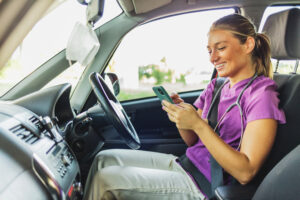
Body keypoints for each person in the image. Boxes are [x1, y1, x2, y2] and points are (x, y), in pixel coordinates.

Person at [83, 13, 286, 200]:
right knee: (103, 159)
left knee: (106, 181)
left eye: (221, 48)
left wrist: (199, 125)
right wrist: (182, 118)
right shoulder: (216, 87)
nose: (212, 58)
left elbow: (246, 172)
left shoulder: (262, 95)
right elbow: (192, 141)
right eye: (209, 50)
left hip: (206, 185)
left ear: (248, 44)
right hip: (186, 164)